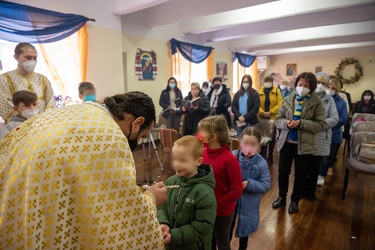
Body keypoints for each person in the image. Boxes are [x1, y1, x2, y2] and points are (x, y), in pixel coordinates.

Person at [0, 91, 167, 249]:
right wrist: (151, 199)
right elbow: (116, 207)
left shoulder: (85, 110)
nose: (139, 140)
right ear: (137, 123)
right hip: (38, 205)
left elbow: (91, 185)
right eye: (143, 135)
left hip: (13, 194)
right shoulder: (110, 136)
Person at [273, 72, 326, 213]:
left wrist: (301, 123)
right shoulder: (288, 98)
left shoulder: (316, 102)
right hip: (286, 142)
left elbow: (321, 124)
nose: (302, 87)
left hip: (305, 145)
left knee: (301, 174)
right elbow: (278, 119)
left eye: (306, 85)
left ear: (312, 87)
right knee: (283, 172)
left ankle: (295, 200)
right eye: (300, 84)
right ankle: (281, 196)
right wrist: (287, 123)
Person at [157, 136, 216, 250]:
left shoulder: (204, 192)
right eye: (175, 159)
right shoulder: (170, 181)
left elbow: (203, 225)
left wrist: (174, 235)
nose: (176, 164)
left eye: (183, 160)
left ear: (198, 161)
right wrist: (164, 223)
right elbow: (162, 206)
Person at [198, 115, 243, 250]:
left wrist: (215, 205)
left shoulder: (229, 160)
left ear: (213, 137)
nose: (200, 135)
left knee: (222, 243)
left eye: (203, 132)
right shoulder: (202, 152)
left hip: (222, 212)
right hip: (205, 209)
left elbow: (237, 190)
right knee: (208, 241)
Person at [230, 128, 271, 250]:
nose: (249, 147)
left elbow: (265, 185)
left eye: (253, 144)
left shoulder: (261, 163)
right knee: (227, 226)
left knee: (245, 229)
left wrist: (249, 184)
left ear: (259, 145)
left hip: (249, 203)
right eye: (246, 143)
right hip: (231, 200)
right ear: (240, 142)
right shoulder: (233, 156)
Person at [0, 42, 56, 123]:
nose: (32, 61)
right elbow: (5, 106)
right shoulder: (4, 79)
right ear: (16, 57)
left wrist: (44, 121)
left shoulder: (43, 79)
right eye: (28, 57)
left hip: (43, 125)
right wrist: (26, 124)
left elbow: (51, 102)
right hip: (18, 127)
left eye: (35, 58)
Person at [304, 75, 339, 200]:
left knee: (315, 167)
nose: (320, 85)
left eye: (323, 83)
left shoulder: (330, 100)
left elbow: (335, 118)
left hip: (321, 137)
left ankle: (310, 191)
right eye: (318, 82)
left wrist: (319, 125)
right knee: (303, 167)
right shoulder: (306, 96)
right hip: (306, 137)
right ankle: (302, 190)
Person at [318, 79, 348, 184]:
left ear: (338, 90)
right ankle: (314, 174)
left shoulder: (341, 102)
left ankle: (322, 175)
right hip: (318, 133)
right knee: (317, 156)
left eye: (333, 88)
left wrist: (328, 124)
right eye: (328, 87)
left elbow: (343, 119)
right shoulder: (319, 98)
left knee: (327, 158)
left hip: (334, 134)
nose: (330, 90)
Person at [258, 75, 282, 163]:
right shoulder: (260, 91)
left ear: (272, 82)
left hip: (272, 118)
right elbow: (257, 104)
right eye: (266, 81)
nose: (268, 83)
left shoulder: (277, 91)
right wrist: (262, 112)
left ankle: (270, 154)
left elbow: (280, 104)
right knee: (262, 136)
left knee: (271, 137)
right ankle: (262, 154)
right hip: (261, 117)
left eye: (269, 81)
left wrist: (270, 112)